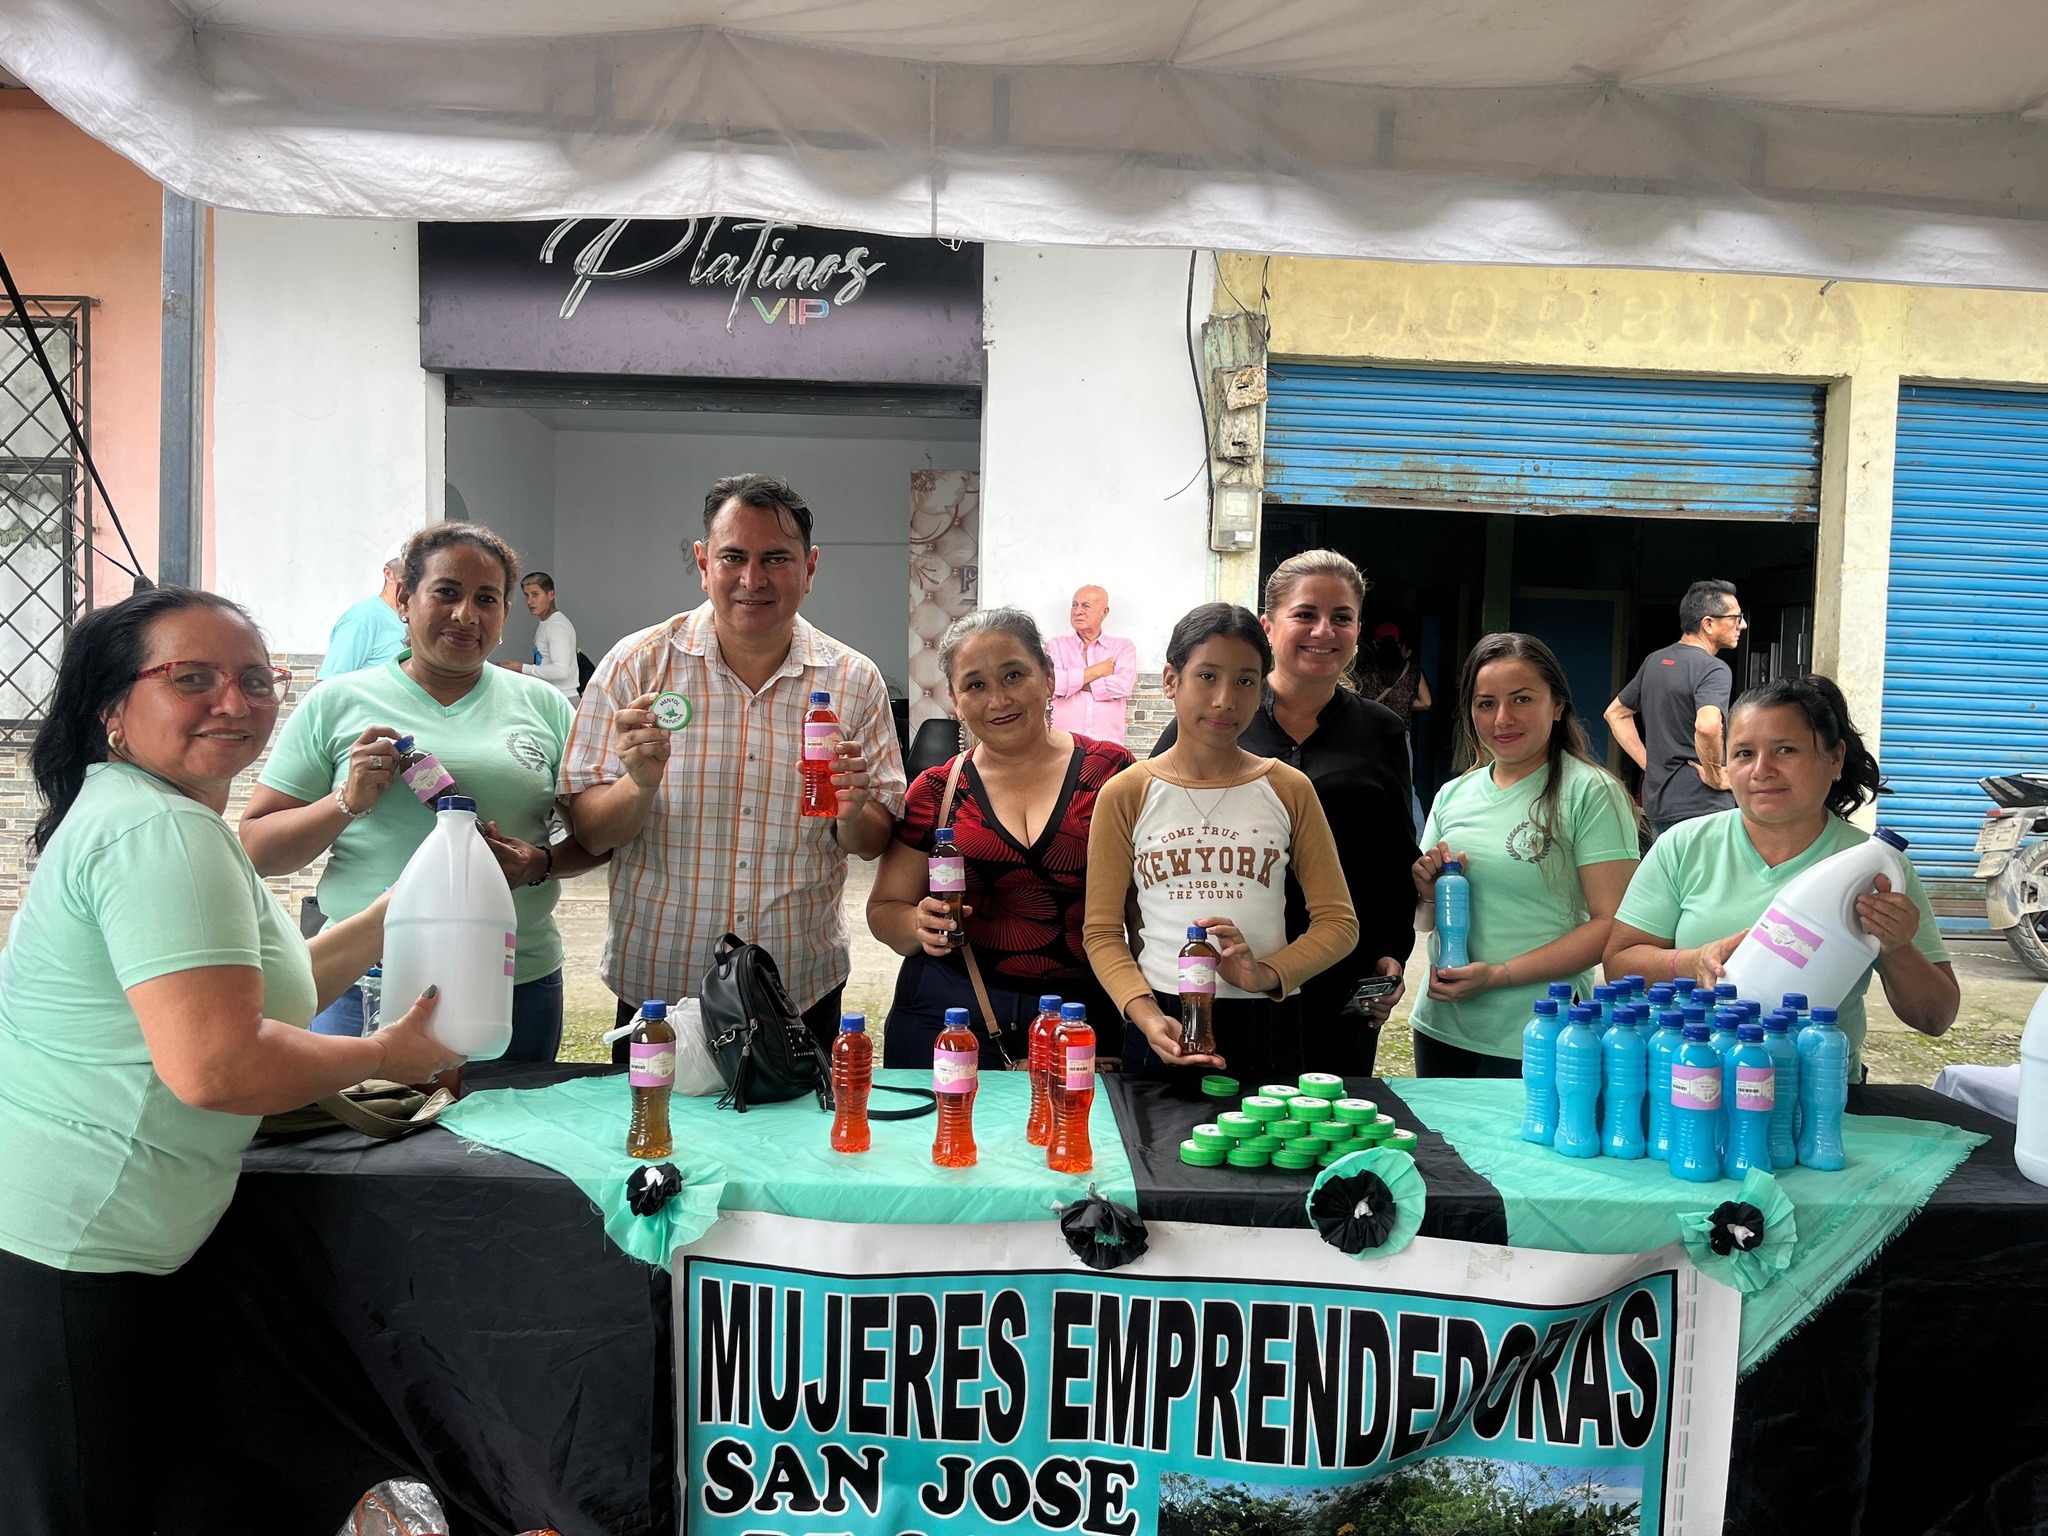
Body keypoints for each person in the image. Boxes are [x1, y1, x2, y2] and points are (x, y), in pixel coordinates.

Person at [0, 587, 454, 1531]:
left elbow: (272, 990)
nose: (234, 702)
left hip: (91, 1231)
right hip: (78, 1239)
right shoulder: (159, 832)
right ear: (113, 707)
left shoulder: (163, 813)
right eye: (191, 679)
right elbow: (216, 1064)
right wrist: (385, 1053)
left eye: (256, 679)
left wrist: (408, 904)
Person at [564, 472, 908, 1054]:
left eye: (776, 558)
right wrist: (638, 785)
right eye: (733, 557)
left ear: (810, 567)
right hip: (661, 994)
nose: (753, 579)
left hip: (799, 989)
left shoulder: (855, 680)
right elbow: (592, 833)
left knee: (799, 1120)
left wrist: (851, 811)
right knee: (655, 1119)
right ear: (704, 563)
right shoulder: (636, 666)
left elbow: (873, 841)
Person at [242, 523, 611, 1063]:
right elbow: (258, 850)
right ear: (404, 600)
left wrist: (540, 863)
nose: (466, 614)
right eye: (446, 592)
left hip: (515, 980)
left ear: (505, 615)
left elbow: (599, 838)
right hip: (364, 980)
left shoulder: (545, 706)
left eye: (486, 599)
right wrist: (345, 801)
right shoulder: (335, 703)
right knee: (363, 1119)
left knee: (512, 1118)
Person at [1605, 675, 1957, 1078]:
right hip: (1693, 1083)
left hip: (1821, 1094)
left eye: (1785, 750)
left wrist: (1896, 946)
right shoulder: (1684, 845)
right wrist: (1693, 962)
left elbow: (1935, 1018)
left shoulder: (1873, 868)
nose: (1762, 770)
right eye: (1743, 753)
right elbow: (1618, 964)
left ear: (1835, 758)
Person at [1149, 551, 1417, 1075]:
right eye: (1305, 614)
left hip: (1338, 974)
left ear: (1358, 630)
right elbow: (1154, 839)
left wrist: (1392, 952)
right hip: (1226, 976)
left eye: (1342, 617)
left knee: (1325, 1114)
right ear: (1268, 626)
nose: (1324, 630)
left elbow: (1394, 856)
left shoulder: (1382, 731)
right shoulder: (1212, 719)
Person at [1084, 602, 1358, 1085]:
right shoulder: (1127, 793)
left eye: (1246, 681)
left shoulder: (1288, 788)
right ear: (1171, 680)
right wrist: (1145, 1015)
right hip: (1163, 1019)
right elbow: (1102, 932)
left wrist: (1267, 973)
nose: (1225, 699)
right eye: (1207, 676)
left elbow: (1339, 923)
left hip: (1264, 1018)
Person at [869, 608, 1134, 1067]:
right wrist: (915, 924)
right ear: (955, 699)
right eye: (975, 685)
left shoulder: (1111, 774)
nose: (998, 700)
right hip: (946, 1019)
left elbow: (1142, 912)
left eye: (1014, 675)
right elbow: (884, 908)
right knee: (945, 1119)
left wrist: (1147, 1012)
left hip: (1079, 1021)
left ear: (1048, 677)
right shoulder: (936, 791)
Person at [1410, 633, 1641, 1078]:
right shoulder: (1453, 794)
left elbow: (1612, 926)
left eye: (1521, 699)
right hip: (1442, 1025)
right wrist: (1427, 894)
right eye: (1485, 703)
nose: (1502, 718)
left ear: (1557, 705)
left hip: (1541, 1031)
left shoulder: (1591, 792)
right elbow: (1425, 922)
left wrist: (1498, 975)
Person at [1605, 579, 1744, 837]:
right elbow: (1708, 725)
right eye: (1736, 618)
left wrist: (1649, 764)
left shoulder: (1655, 661)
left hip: (1659, 803)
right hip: (1702, 804)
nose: (1742, 625)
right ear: (1708, 624)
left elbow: (1615, 714)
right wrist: (1715, 775)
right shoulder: (1714, 669)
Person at [1047, 584, 1137, 744]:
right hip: (1063, 743)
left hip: (1107, 743)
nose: (1077, 611)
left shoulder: (1123, 647)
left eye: (1085, 606)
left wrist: (1072, 683)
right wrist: (1098, 671)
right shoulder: (1056, 645)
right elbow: (1054, 684)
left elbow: (1123, 685)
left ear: (1104, 612)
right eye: (1074, 605)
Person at [315, 540, 408, 680]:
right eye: (409, 576)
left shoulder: (414, 618)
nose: (416, 583)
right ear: (388, 574)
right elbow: (328, 685)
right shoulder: (362, 618)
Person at [498, 571, 579, 702]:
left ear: (551, 594)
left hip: (563, 699)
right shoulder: (546, 622)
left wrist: (520, 668)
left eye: (535, 594)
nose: (529, 601)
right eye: (526, 595)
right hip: (553, 697)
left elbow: (561, 671)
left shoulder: (556, 626)